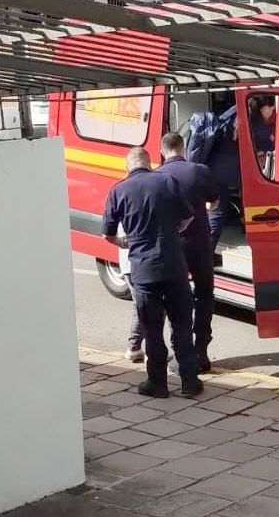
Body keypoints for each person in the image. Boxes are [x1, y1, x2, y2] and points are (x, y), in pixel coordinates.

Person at [102, 147, 202, 398]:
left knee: (153, 329)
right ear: (150, 163)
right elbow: (188, 216)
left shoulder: (118, 190)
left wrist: (127, 243)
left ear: (127, 167)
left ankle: (157, 384)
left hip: (144, 271)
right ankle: (190, 383)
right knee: (181, 326)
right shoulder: (167, 181)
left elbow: (108, 234)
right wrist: (173, 232)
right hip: (174, 266)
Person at [157, 132, 219, 372]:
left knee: (177, 299)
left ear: (163, 151)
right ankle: (201, 352)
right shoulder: (199, 170)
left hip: (172, 246)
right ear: (183, 148)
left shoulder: (157, 176)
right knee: (204, 295)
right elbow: (214, 202)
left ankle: (180, 354)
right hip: (200, 243)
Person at [207, 113, 240, 250]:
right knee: (216, 215)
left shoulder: (226, 120)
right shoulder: (229, 136)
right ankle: (204, 253)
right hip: (220, 179)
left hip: (217, 176)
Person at [117, 223, 145, 363]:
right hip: (139, 262)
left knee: (140, 305)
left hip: (130, 262)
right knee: (145, 306)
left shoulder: (119, 200)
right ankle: (134, 347)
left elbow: (109, 234)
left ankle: (134, 347)